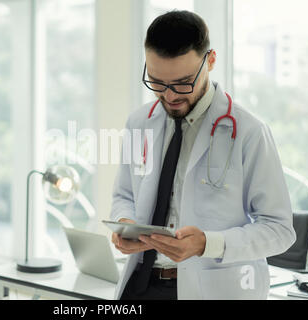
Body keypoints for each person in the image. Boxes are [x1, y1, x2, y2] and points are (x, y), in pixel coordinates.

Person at [109, 10, 296, 300]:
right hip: (141, 285)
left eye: (183, 83)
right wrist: (127, 223)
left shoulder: (249, 132)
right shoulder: (138, 123)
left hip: (213, 290)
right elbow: (124, 195)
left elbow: (279, 230)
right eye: (157, 82)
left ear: (210, 60)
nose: (170, 96)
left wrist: (208, 243)